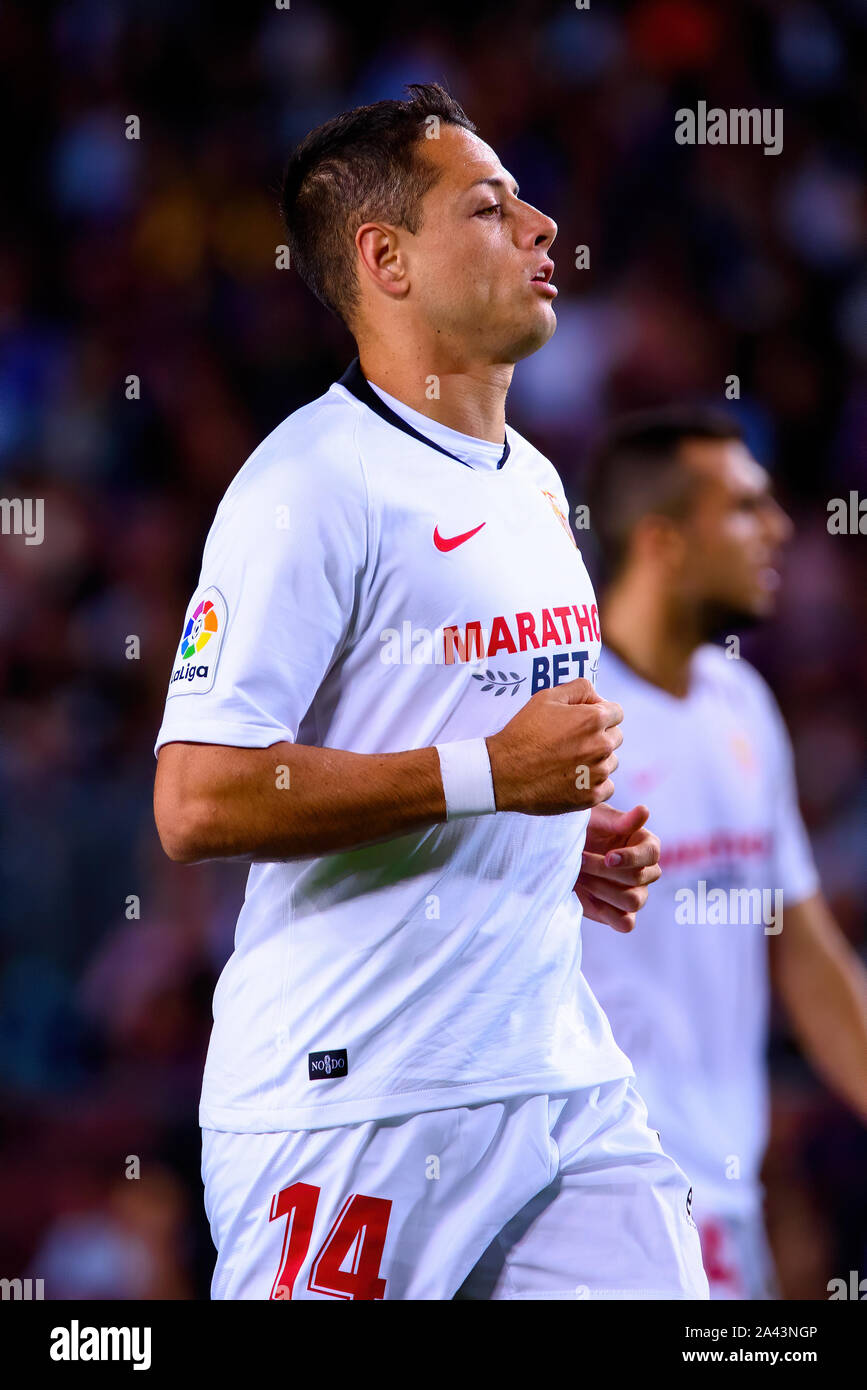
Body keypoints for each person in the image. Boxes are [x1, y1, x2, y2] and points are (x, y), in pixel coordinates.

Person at [153, 83, 707, 1301]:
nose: (544, 226)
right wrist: (492, 779)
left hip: (555, 1075)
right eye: (493, 208)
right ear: (386, 260)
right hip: (355, 1100)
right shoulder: (307, 487)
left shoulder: (535, 480)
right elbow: (196, 801)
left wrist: (543, 843)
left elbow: (451, 745)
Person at [580, 408, 867, 1298]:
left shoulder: (740, 701)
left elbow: (802, 944)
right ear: (662, 542)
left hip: (724, 1190)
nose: (778, 528)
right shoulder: (565, 718)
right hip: (598, 1192)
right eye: (744, 508)